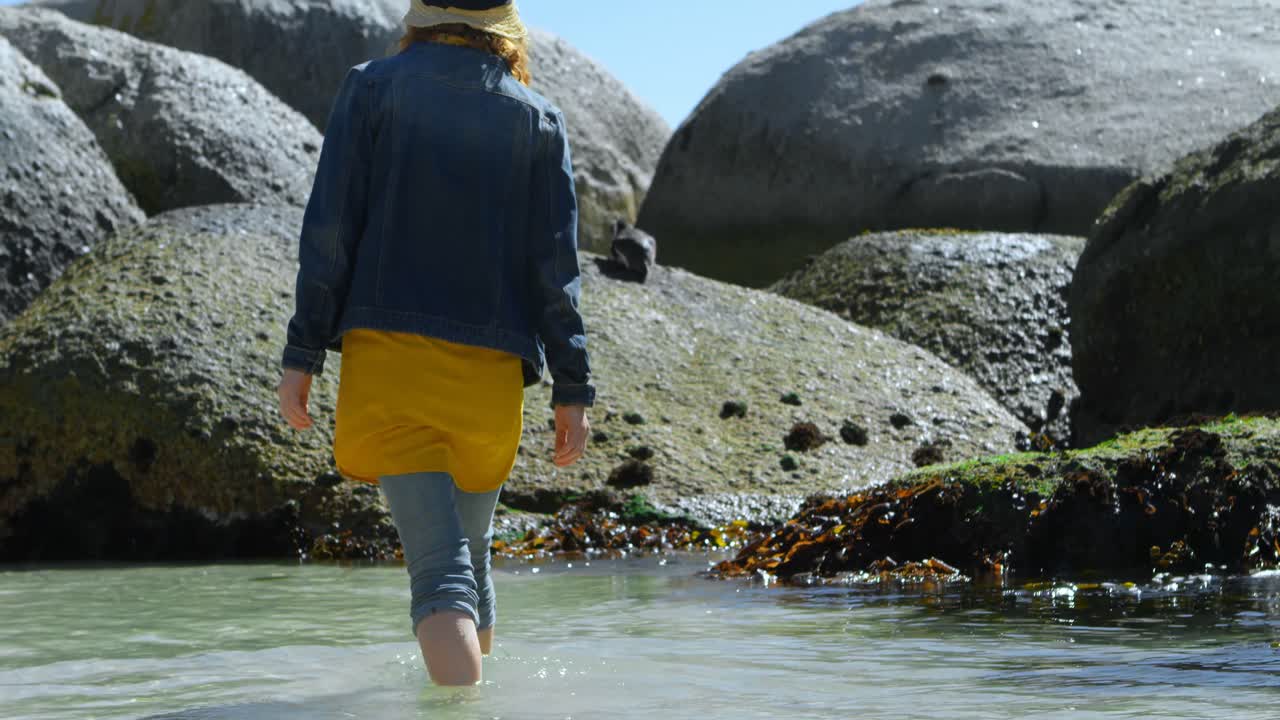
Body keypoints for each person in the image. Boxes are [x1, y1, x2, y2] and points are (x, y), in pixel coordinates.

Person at [275, 0, 594, 687]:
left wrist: (302, 351)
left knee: (439, 576)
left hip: (393, 365)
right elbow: (556, 272)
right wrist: (572, 388)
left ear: (421, 18)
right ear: (501, 29)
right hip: (491, 379)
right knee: (470, 558)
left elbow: (329, 232)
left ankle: (460, 704)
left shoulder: (372, 87)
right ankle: (482, 695)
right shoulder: (538, 118)